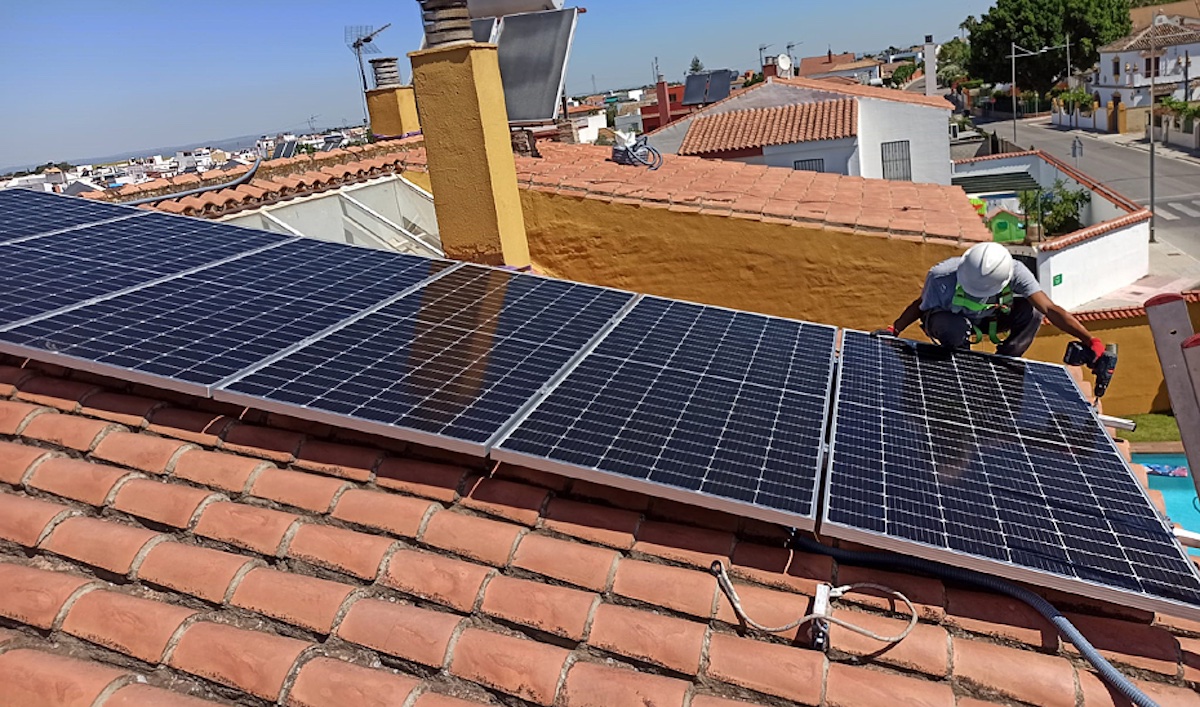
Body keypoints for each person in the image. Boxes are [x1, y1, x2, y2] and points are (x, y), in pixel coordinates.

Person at [875, 242, 1105, 361]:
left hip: (988, 320)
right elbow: (920, 304)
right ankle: (959, 360)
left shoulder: (1015, 271)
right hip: (950, 323)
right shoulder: (941, 276)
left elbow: (1050, 309)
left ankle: (1006, 360)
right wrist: (894, 329)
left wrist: (1090, 339)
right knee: (953, 327)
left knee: (1034, 312)